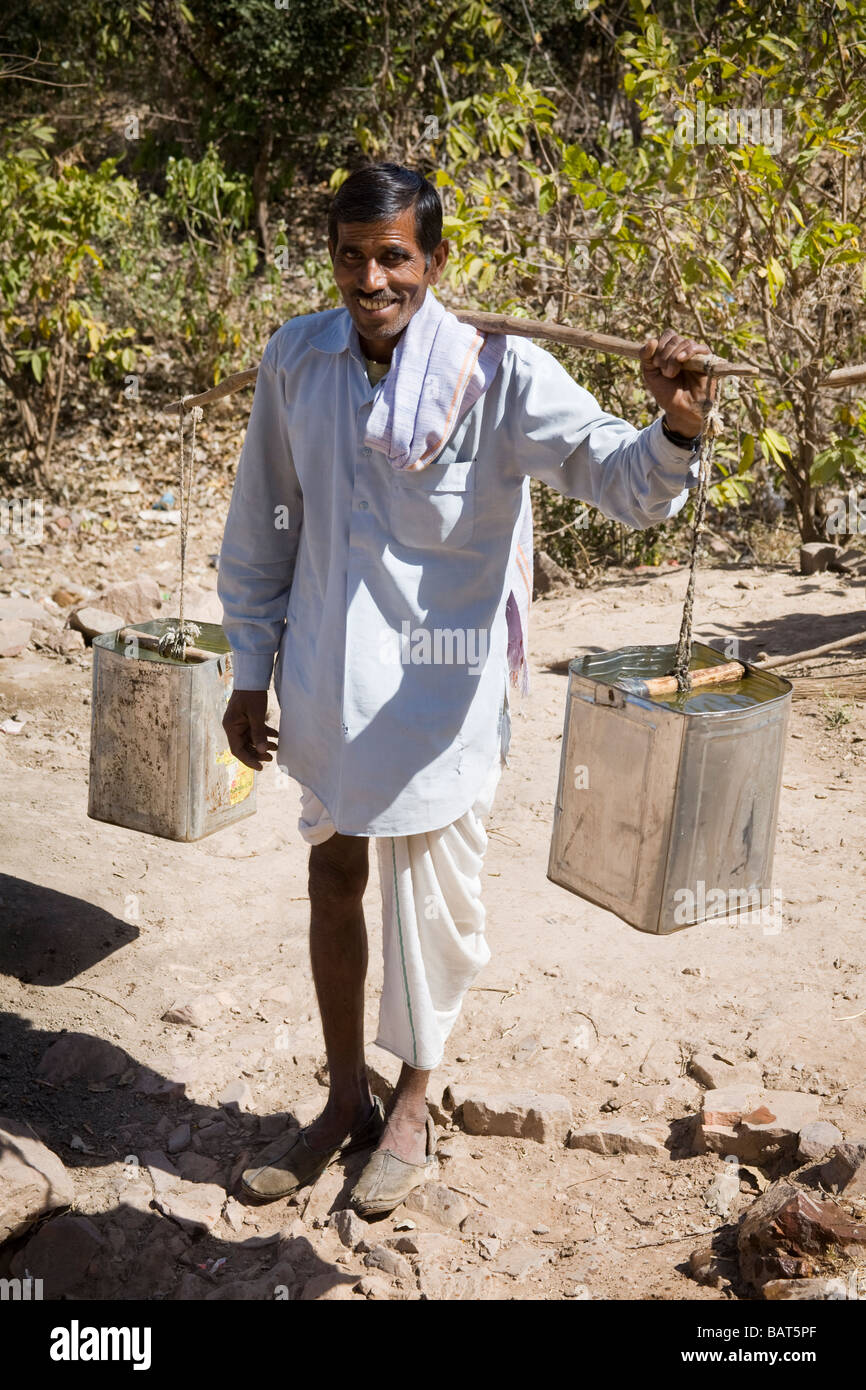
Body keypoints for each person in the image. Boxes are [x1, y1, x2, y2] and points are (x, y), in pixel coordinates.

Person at [217, 162, 714, 1217]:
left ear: (434, 262)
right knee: (332, 878)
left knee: (431, 913)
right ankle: (341, 1096)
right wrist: (248, 667)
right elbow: (265, 515)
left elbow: (619, 483)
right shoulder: (297, 360)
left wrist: (674, 426)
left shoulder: (503, 376)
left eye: (393, 255)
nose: (370, 278)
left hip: (442, 698)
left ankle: (411, 1101)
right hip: (322, 686)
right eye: (350, 256)